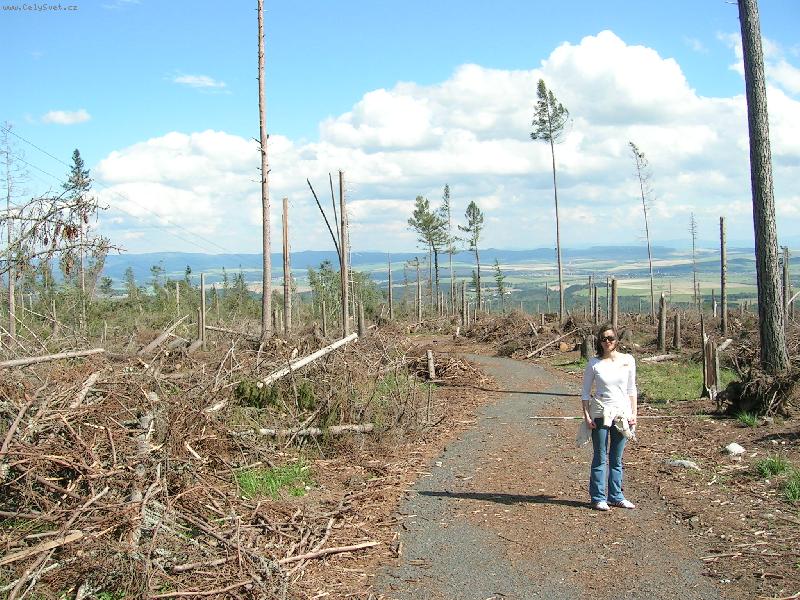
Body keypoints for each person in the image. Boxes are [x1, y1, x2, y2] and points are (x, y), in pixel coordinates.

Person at [580, 322, 638, 511]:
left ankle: (616, 496)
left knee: (617, 457)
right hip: (600, 412)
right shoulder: (594, 364)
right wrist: (587, 416)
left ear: (617, 340)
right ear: (599, 342)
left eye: (610, 338)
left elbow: (631, 389)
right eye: (603, 339)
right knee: (600, 456)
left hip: (622, 414)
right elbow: (585, 393)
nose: (607, 342)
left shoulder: (628, 360)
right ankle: (598, 497)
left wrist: (634, 413)